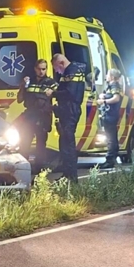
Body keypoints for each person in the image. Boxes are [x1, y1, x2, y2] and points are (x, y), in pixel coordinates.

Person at [51, 53, 87, 181]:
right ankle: (67, 174)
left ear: (61, 63)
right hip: (68, 110)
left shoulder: (71, 71)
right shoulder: (73, 71)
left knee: (68, 143)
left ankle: (71, 176)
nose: (57, 71)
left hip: (70, 110)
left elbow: (69, 93)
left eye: (56, 67)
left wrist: (53, 93)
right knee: (64, 142)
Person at [16, 59, 57, 170]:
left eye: (43, 69)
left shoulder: (51, 83)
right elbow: (19, 100)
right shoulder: (29, 82)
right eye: (39, 69)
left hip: (43, 116)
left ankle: (39, 167)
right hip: (30, 115)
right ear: (35, 69)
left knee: (41, 143)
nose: (41, 71)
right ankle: (24, 166)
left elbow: (59, 97)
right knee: (25, 141)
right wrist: (22, 86)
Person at [97, 68, 124, 169]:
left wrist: (103, 101)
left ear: (112, 76)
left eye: (107, 74)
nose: (106, 76)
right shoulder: (113, 85)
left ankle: (110, 160)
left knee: (110, 138)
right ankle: (113, 157)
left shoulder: (114, 85)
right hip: (112, 114)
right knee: (112, 137)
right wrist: (104, 95)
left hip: (110, 115)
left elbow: (116, 98)